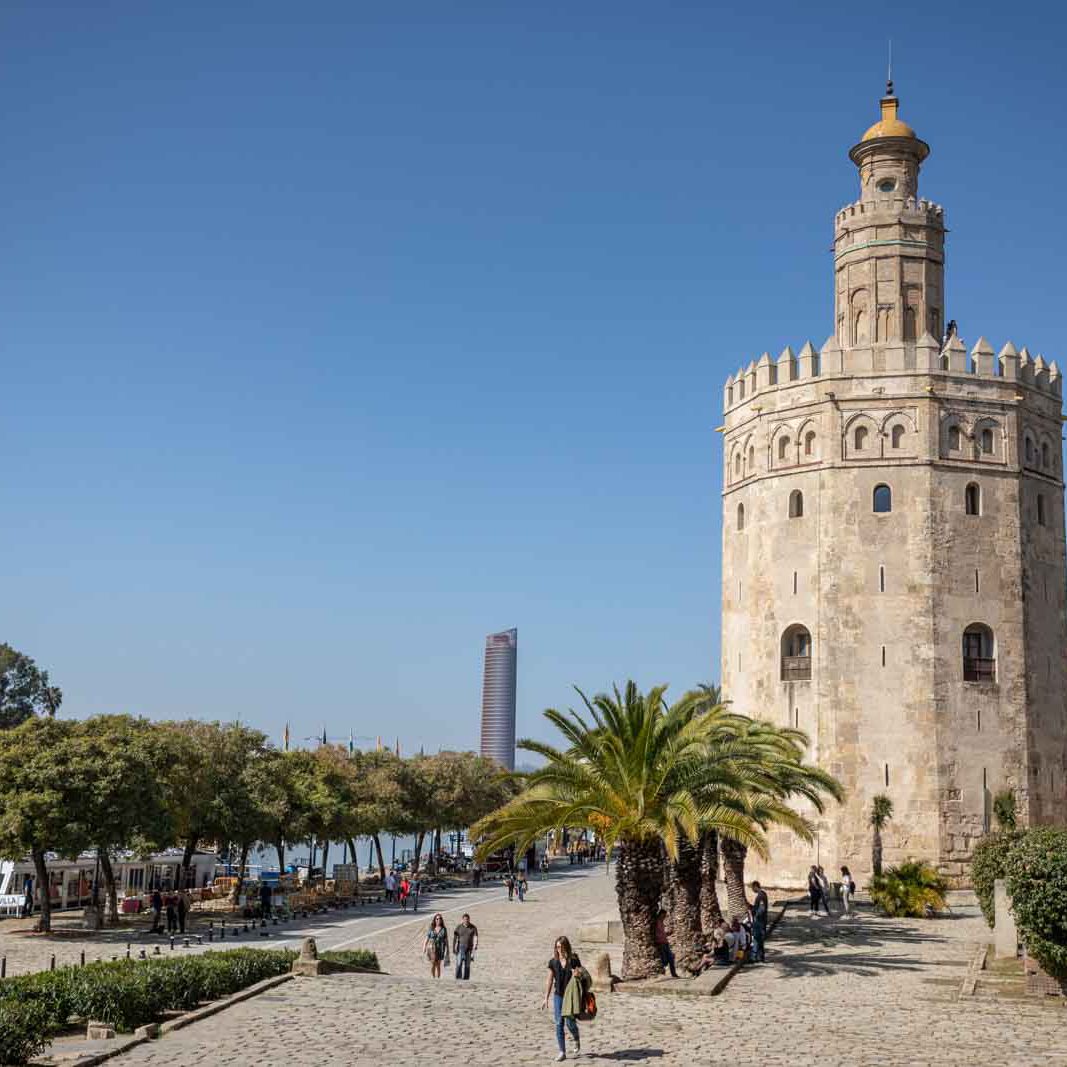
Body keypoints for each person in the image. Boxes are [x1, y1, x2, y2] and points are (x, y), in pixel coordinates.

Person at [542, 935, 586, 1062]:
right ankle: (562, 1051)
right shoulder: (553, 962)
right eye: (557, 947)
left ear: (566, 947)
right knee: (558, 1023)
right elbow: (550, 980)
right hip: (558, 996)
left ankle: (576, 1038)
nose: (559, 950)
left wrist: (577, 974)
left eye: (561, 947)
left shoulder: (574, 960)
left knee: (570, 1023)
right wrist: (546, 998)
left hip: (571, 996)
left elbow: (582, 975)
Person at [453, 912, 479, 979]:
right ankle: (458, 978)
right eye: (465, 919)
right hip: (460, 948)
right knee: (459, 963)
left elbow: (475, 937)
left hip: (469, 948)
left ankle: (466, 979)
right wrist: (454, 948)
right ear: (462, 920)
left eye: (467, 919)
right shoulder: (459, 927)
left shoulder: (473, 927)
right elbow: (455, 938)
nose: (466, 920)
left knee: (467, 965)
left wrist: (475, 947)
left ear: (469, 919)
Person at [654, 908, 678, 978]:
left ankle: (673, 973)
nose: (664, 917)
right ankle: (662, 971)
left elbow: (662, 932)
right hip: (660, 943)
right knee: (664, 960)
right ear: (660, 914)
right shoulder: (656, 922)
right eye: (664, 915)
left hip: (665, 942)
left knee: (671, 958)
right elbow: (656, 933)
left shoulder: (661, 922)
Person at [424, 912, 449, 978]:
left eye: (440, 919)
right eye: (437, 919)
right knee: (433, 963)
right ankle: (433, 977)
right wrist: (424, 946)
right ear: (435, 920)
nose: (438, 920)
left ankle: (438, 978)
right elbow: (427, 937)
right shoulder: (431, 928)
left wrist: (448, 950)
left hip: (440, 948)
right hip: (432, 948)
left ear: (441, 920)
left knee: (438, 965)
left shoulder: (444, 929)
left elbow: (446, 940)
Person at [749, 881, 769, 963]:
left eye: (752, 888)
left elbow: (762, 909)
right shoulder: (762, 894)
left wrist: (756, 915)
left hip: (760, 921)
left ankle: (754, 957)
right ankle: (760, 957)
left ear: (755, 886)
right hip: (760, 921)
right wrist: (752, 907)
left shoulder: (761, 895)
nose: (752, 890)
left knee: (757, 938)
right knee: (759, 939)